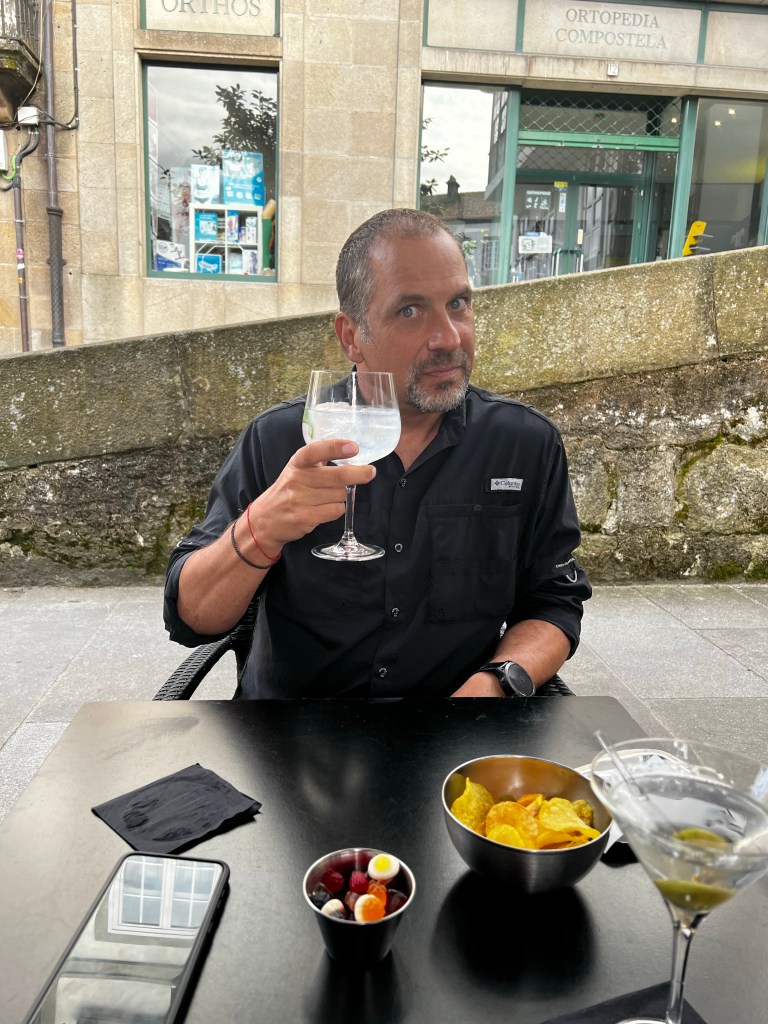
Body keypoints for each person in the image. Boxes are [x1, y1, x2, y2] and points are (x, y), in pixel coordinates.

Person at [164, 208, 591, 698]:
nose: (449, 338)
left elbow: (554, 601)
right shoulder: (279, 440)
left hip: (454, 728)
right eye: (410, 311)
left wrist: (496, 684)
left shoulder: (523, 444)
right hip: (292, 732)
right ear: (352, 337)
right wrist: (260, 529)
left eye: (458, 304)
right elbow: (191, 619)